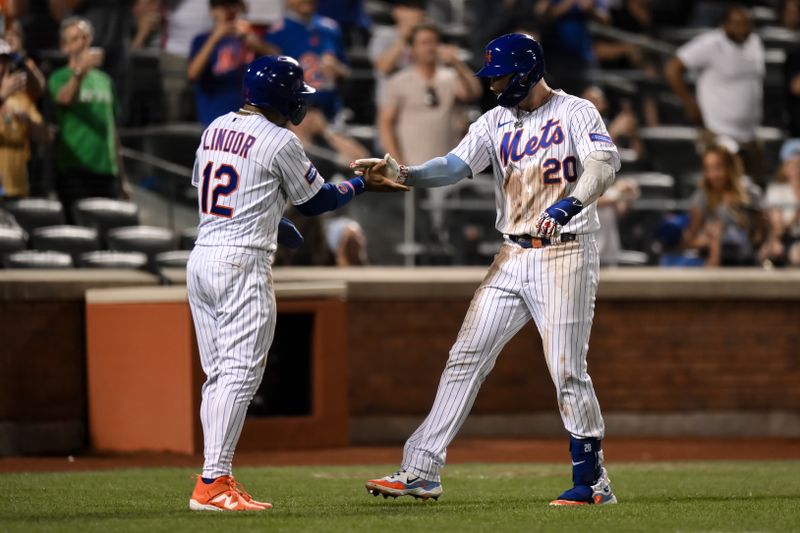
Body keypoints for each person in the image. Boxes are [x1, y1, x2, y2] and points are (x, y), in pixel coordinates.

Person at [354, 33, 620, 506]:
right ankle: (421, 469)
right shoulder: (494, 120)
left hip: (566, 251)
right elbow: (455, 166)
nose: (493, 84)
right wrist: (405, 173)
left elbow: (603, 163)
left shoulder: (576, 111)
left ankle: (593, 480)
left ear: (528, 71)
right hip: (512, 252)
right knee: (465, 357)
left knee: (566, 370)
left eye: (500, 75)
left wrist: (571, 204)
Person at [186, 55, 406, 512]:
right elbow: (318, 201)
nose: (299, 103)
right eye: (295, 94)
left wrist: (271, 221)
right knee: (240, 375)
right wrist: (361, 185)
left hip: (203, 256)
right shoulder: (278, 139)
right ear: (280, 97)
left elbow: (223, 195)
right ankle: (213, 483)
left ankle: (215, 476)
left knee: (220, 376)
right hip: (241, 264)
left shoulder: (214, 127)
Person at [379, 23, 481, 239]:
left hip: (450, 167)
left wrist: (457, 63)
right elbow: (385, 123)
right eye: (424, 43)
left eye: (434, 42)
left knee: (454, 231)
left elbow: (473, 93)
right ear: (413, 49)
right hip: (414, 167)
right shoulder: (399, 81)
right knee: (419, 232)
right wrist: (396, 163)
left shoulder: (450, 77)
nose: (430, 48)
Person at [665, 5, 766, 184]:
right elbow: (673, 69)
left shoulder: (755, 42)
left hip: (750, 133)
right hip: (718, 131)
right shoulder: (710, 44)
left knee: (754, 191)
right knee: (721, 187)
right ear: (725, 23)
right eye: (736, 23)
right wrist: (690, 105)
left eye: (746, 23)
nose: (742, 27)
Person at [47, 17, 129, 217]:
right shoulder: (60, 77)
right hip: (75, 169)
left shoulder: (105, 80)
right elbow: (64, 99)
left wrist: (122, 177)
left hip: (106, 169)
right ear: (64, 47)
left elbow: (112, 128)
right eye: (75, 39)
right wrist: (80, 72)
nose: (82, 42)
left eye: (85, 37)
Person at [188, 0, 275, 126]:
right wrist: (216, 36)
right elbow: (192, 74)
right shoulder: (201, 40)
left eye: (232, 5)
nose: (227, 10)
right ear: (213, 11)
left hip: (250, 118)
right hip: (214, 118)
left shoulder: (251, 37)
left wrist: (252, 42)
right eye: (221, 6)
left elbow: (278, 57)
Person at [265, 0, 350, 121]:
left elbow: (347, 75)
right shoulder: (276, 32)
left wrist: (337, 69)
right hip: (293, 117)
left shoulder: (331, 28)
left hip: (332, 113)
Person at [683, 145, 763, 267]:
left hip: (745, 261)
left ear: (730, 168)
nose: (713, 175)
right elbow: (689, 241)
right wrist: (711, 239)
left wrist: (747, 233)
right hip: (712, 260)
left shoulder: (750, 194)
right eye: (708, 169)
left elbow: (760, 234)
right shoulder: (701, 197)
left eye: (718, 167)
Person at [0, 38, 50, 200]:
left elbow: (45, 136)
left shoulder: (19, 97)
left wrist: (27, 119)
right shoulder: (7, 95)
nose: (1, 67)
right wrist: (2, 96)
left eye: (4, 61)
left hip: (17, 188)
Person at [759, 152, 800, 267]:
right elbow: (778, 226)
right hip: (785, 238)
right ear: (784, 167)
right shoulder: (776, 191)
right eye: (792, 164)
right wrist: (796, 216)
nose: (796, 168)